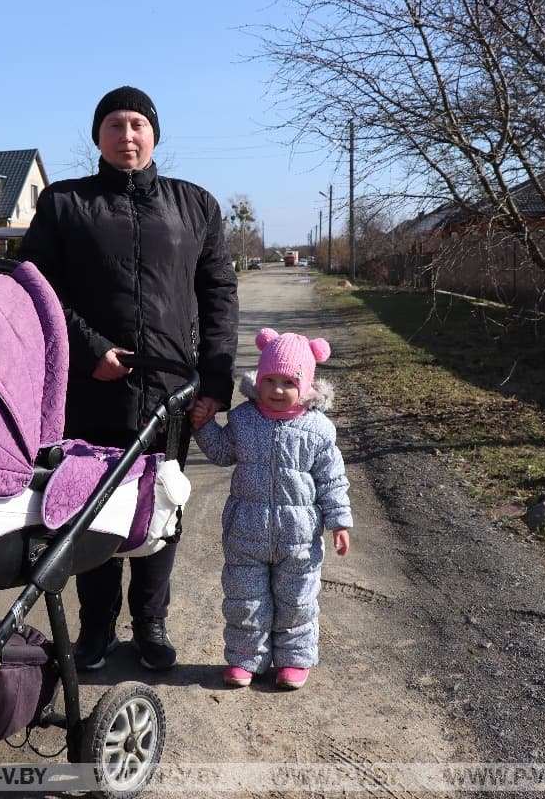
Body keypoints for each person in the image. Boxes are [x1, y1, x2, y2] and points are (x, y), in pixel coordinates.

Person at [18, 86, 239, 671]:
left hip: (171, 392)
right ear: (98, 137)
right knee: (92, 509)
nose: (127, 134)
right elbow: (36, 288)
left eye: (137, 123)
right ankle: (96, 632)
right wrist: (91, 350)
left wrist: (215, 378)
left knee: (159, 509)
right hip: (91, 389)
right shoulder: (65, 204)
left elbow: (218, 294)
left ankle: (151, 625)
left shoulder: (195, 205)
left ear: (154, 134)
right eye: (114, 124)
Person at [190, 328, 352, 690]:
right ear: (258, 381)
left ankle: (293, 661)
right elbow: (221, 452)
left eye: (288, 382)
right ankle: (247, 659)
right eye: (270, 380)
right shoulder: (245, 420)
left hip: (299, 537)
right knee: (245, 599)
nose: (278, 390)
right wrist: (202, 426)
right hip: (246, 531)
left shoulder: (318, 430)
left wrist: (339, 522)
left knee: (296, 602)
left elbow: (332, 481)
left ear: (306, 385)